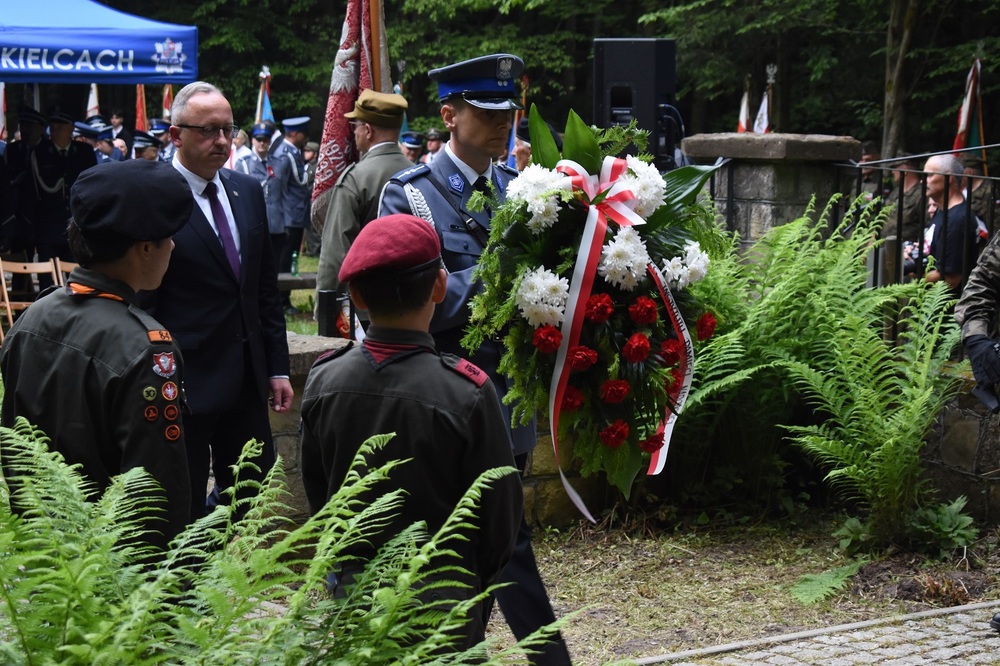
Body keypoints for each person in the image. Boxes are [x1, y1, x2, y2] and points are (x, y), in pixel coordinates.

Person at [378, 53, 574, 666]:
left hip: (505, 396)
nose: (500, 124)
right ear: (449, 114)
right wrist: (500, 286)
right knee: (481, 542)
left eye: (507, 112)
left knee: (498, 540)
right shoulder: (411, 196)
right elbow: (410, 299)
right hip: (444, 400)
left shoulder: (519, 194)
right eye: (485, 112)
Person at [300, 212, 521, 650]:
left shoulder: (324, 382)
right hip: (444, 603)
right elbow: (500, 520)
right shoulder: (467, 394)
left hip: (351, 598)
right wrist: (472, 584)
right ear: (440, 286)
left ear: (357, 295)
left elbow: (320, 496)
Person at [0, 159, 193, 550]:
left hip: (43, 551)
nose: (173, 246)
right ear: (144, 249)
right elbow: (155, 490)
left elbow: (14, 444)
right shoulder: (146, 349)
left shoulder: (33, 316)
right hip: (113, 571)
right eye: (167, 237)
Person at [145, 81, 293, 522]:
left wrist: (277, 366)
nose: (223, 141)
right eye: (209, 131)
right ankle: (186, 584)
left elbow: (263, 288)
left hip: (246, 377)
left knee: (250, 490)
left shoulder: (246, 190)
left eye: (228, 130)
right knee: (183, 498)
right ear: (176, 135)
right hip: (185, 378)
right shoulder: (153, 196)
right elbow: (144, 299)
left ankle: (206, 560)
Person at [316, 89, 412, 297]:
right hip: (414, 302)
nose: (354, 132)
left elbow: (336, 253)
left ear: (368, 130)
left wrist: (327, 306)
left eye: (356, 126)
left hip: (368, 307)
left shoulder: (355, 179)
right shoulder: (419, 174)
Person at [30, 111, 97, 279]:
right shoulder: (40, 152)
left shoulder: (84, 152)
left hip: (77, 225)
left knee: (77, 276)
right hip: (48, 227)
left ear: (70, 130)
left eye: (60, 127)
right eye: (52, 128)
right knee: (47, 280)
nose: (55, 131)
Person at [924, 154, 980, 292]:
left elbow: (951, 279)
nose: (923, 181)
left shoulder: (957, 220)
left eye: (930, 175)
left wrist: (912, 282)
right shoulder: (942, 210)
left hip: (946, 308)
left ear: (948, 177)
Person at [275, 116, 311, 313]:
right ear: (296, 134)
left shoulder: (291, 152)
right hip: (288, 216)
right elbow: (279, 186)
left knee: (289, 258)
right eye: (303, 134)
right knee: (284, 259)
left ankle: (283, 299)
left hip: (295, 215)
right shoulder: (285, 154)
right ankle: (281, 301)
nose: (304, 138)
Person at [236, 120, 286, 258]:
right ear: (253, 140)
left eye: (266, 139)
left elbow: (284, 192)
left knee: (276, 264)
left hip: (276, 222)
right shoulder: (244, 164)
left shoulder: (279, 163)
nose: (262, 143)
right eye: (259, 139)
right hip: (253, 221)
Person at [301, 140, 322, 257]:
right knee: (307, 225)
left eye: (308, 151)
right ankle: (309, 249)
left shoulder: (317, 168)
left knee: (313, 226)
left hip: (313, 198)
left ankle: (314, 250)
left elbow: (313, 185)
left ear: (315, 154)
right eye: (305, 151)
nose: (305, 153)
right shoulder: (307, 166)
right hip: (306, 199)